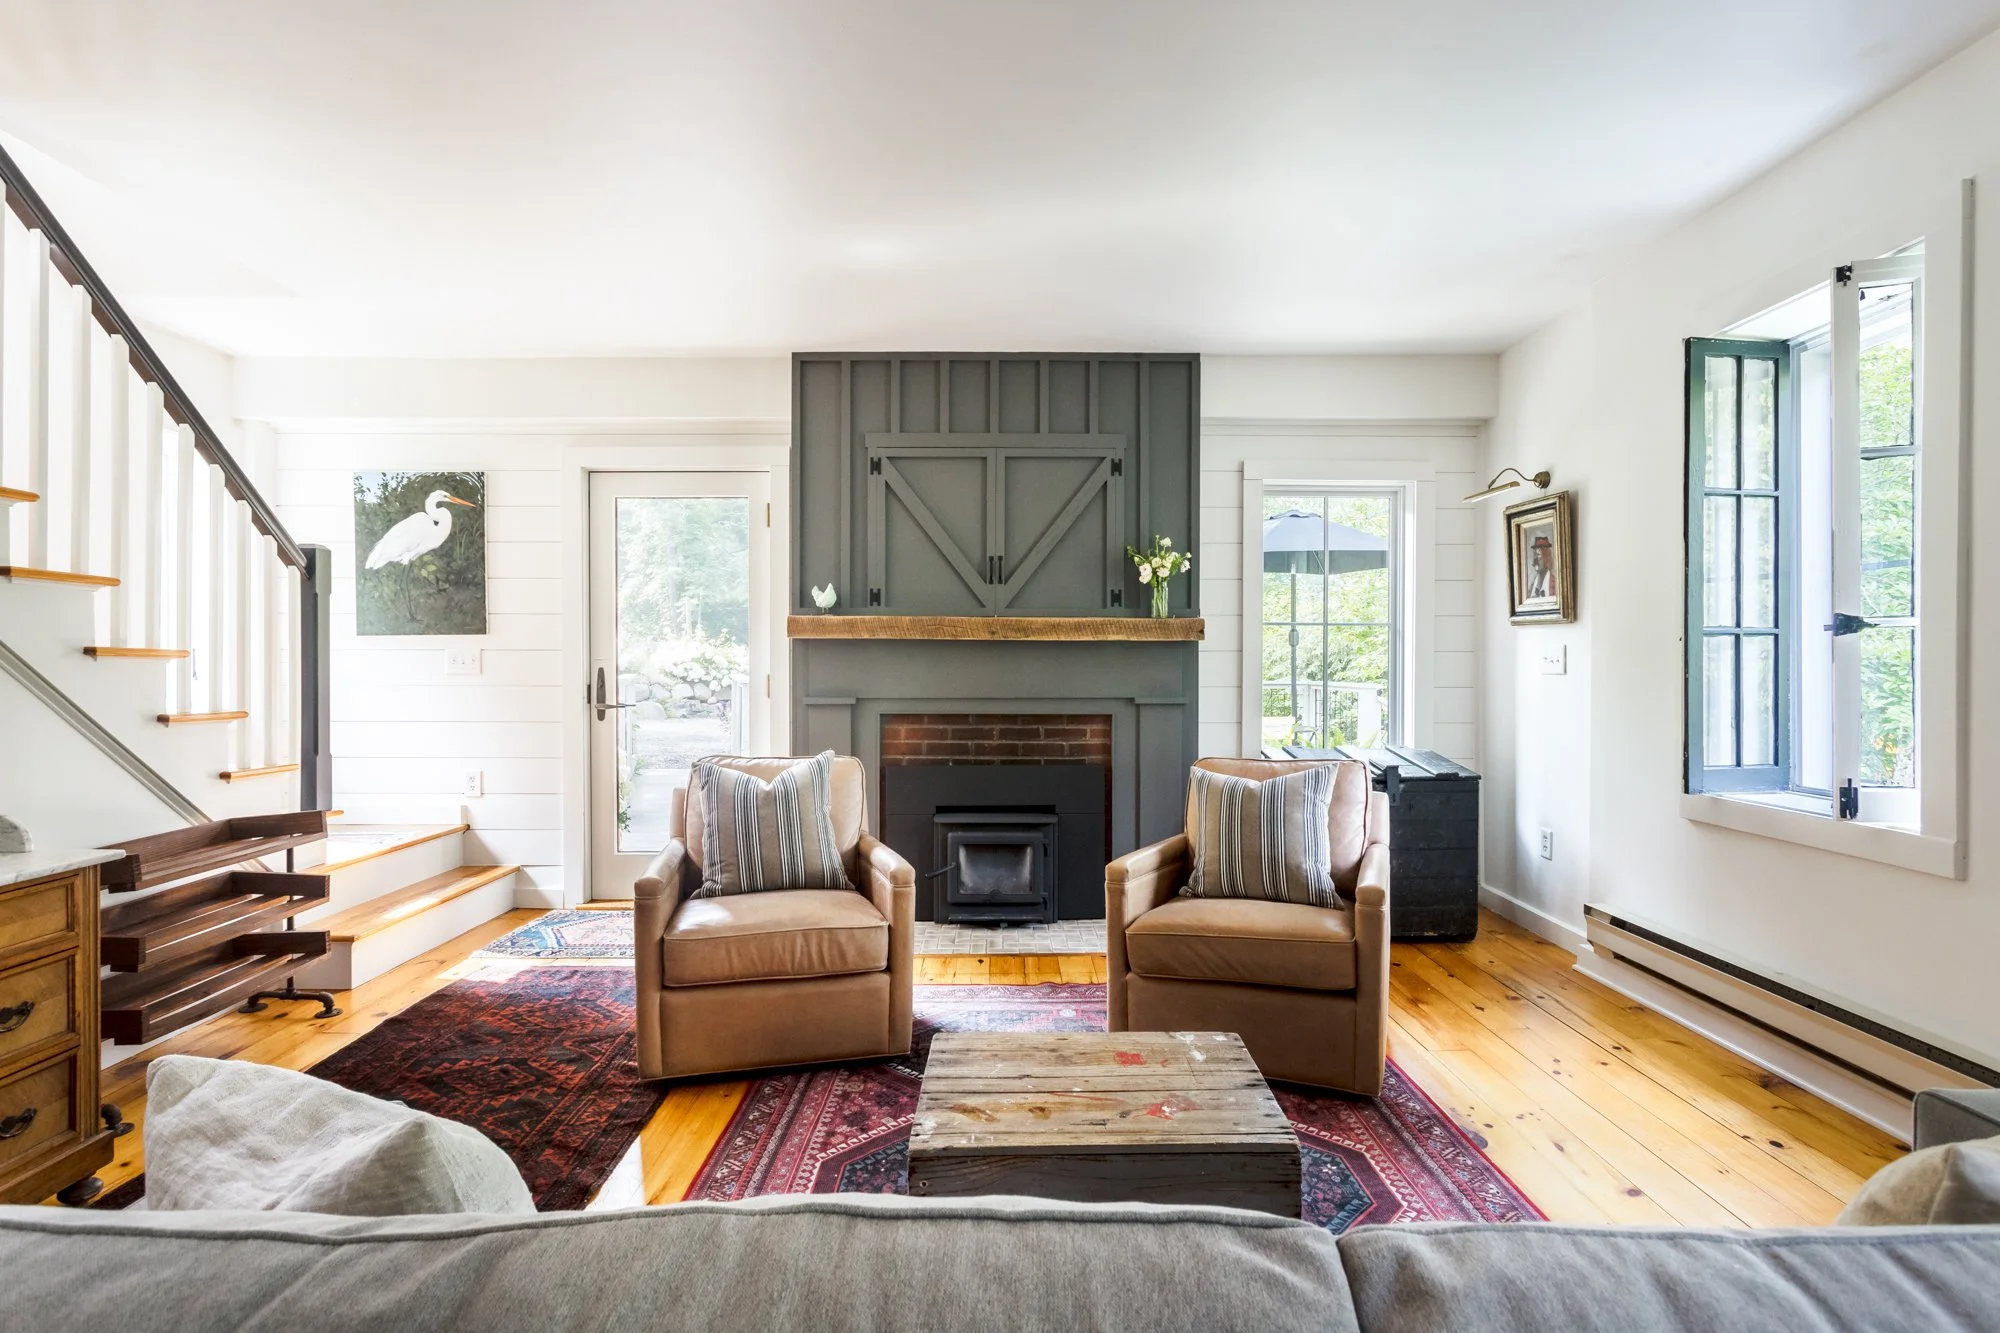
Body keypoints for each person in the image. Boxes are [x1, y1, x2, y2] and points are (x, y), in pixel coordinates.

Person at [1524, 531, 1554, 600]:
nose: (1535, 561)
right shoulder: (1530, 589)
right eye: (1535, 555)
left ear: (1547, 558)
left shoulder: (1555, 585)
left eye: (1538, 555)